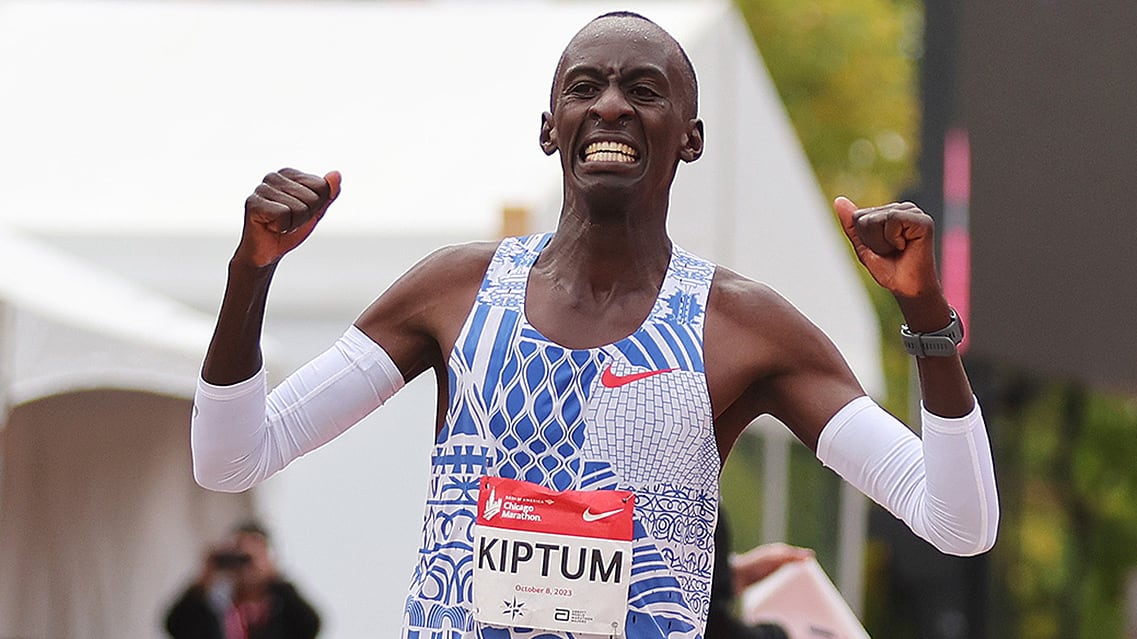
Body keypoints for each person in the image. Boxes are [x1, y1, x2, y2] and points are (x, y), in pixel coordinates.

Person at [190, 11, 998, 639]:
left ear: (690, 137)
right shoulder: (456, 290)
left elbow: (957, 522)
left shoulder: (742, 327)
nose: (609, 105)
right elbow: (231, 458)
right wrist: (249, 271)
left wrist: (925, 315)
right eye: (584, 87)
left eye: (643, 90)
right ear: (550, 128)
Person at [164, 522, 321, 639]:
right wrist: (205, 576)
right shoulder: (216, 608)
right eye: (239, 556)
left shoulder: (280, 610)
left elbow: (310, 626)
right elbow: (175, 626)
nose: (245, 565)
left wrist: (274, 578)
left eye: (251, 557)